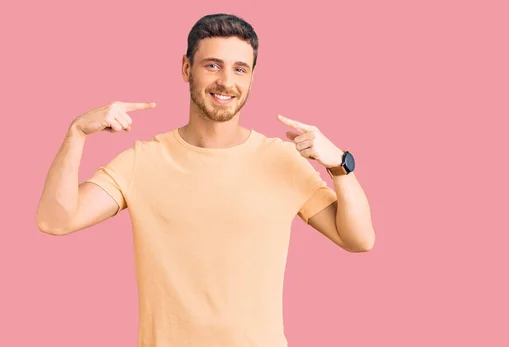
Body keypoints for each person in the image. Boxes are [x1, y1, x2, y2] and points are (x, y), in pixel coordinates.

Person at [35, 13, 375, 347]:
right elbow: (56, 219)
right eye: (212, 65)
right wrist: (77, 132)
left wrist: (340, 166)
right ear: (186, 68)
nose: (226, 81)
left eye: (239, 69)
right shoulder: (143, 161)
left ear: (252, 77)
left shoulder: (282, 160)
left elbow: (358, 239)